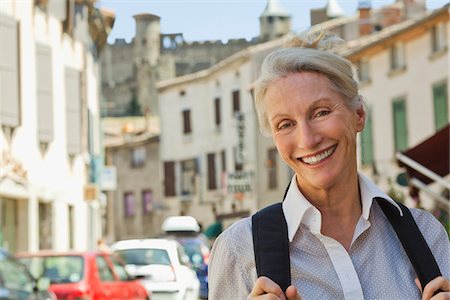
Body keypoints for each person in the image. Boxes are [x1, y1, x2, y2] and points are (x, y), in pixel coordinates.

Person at [208, 31, 450, 300]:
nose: (308, 140)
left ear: (359, 114)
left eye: (321, 112)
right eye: (285, 124)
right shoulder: (239, 250)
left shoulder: (427, 235)